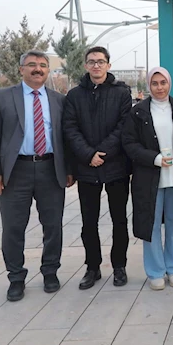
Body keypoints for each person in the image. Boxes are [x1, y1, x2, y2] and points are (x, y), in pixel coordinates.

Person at [0, 50, 74, 301]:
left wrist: (68, 169)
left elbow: (64, 138)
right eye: (32, 65)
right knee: (13, 227)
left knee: (53, 226)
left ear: (48, 71)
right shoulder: (3, 98)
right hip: (16, 172)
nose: (38, 69)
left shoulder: (58, 100)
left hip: (50, 169)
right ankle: (15, 277)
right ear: (21, 69)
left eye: (43, 65)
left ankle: (50, 272)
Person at [63, 46, 133, 289]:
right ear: (85, 65)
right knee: (88, 222)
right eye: (92, 61)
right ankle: (92, 268)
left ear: (108, 65)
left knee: (119, 220)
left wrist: (102, 153)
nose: (96, 65)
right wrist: (88, 155)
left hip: (116, 167)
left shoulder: (122, 92)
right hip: (87, 168)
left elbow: (124, 126)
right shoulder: (74, 96)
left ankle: (119, 266)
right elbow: (70, 129)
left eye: (101, 61)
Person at [122, 67, 173, 290]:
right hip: (149, 177)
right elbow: (129, 144)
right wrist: (154, 158)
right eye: (155, 83)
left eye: (163, 82)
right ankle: (155, 271)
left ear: (169, 84)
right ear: (148, 86)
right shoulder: (138, 112)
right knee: (150, 224)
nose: (160, 87)